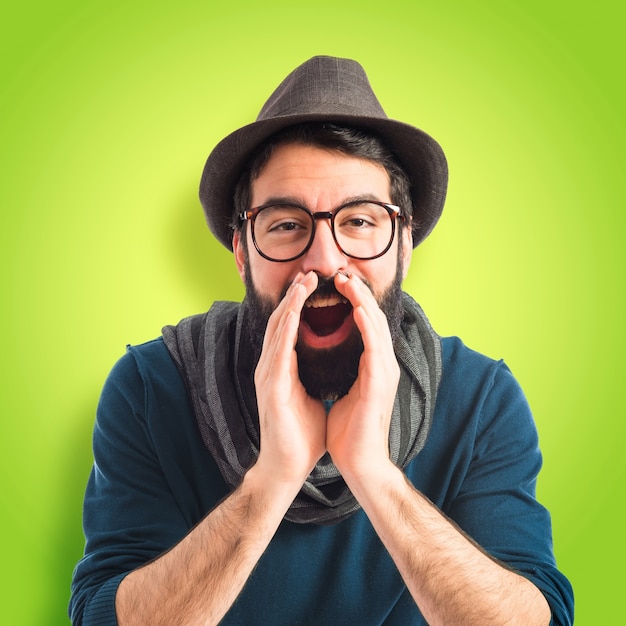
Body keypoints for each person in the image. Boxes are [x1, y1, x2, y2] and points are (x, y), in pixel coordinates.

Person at [69, 56, 574, 625]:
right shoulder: (150, 387)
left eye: (360, 221)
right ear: (242, 252)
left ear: (404, 244)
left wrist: (375, 474)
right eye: (286, 224)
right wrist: (270, 483)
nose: (326, 259)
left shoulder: (482, 399)